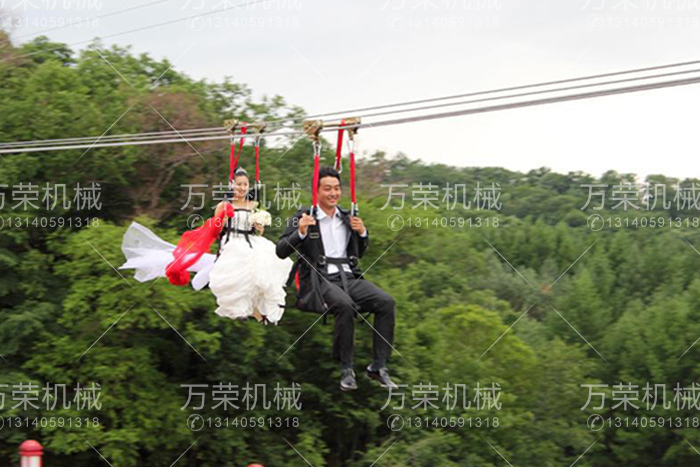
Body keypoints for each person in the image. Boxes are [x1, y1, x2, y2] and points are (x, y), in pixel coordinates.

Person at [276, 167, 398, 391]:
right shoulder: (304, 217)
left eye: (336, 188)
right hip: (319, 279)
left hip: (348, 277)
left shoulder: (347, 217)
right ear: (317, 191)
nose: (333, 193)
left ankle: (378, 366)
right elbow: (281, 251)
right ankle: (346, 369)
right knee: (344, 305)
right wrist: (300, 232)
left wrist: (362, 234)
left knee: (386, 302)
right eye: (327, 189)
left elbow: (358, 253)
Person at [120, 167, 293, 325]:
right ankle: (240, 307)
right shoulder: (223, 205)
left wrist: (258, 225)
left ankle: (258, 310)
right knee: (241, 267)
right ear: (232, 185)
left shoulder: (253, 206)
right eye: (239, 184)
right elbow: (216, 230)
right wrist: (223, 218)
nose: (242, 188)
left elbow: (259, 232)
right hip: (232, 241)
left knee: (265, 265)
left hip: (250, 241)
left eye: (245, 184)